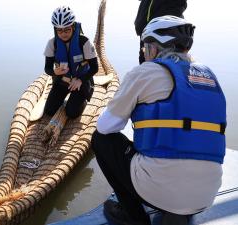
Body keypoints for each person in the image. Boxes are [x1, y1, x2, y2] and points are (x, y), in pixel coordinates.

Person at [92, 16, 226, 225]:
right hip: (206, 195)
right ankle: (180, 208)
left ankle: (133, 216)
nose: (145, 53)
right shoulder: (209, 77)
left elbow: (106, 126)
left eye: (146, 47)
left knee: (101, 140)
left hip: (158, 191)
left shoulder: (145, 71)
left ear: (154, 48)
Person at [43, 6, 98, 119]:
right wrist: (55, 72)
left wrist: (80, 80)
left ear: (73, 26)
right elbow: (47, 69)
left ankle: (82, 98)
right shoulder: (52, 44)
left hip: (81, 81)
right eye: (60, 30)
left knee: (72, 113)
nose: (63, 34)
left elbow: (95, 68)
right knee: (49, 111)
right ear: (55, 29)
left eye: (67, 29)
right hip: (63, 80)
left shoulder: (84, 42)